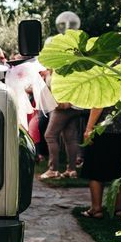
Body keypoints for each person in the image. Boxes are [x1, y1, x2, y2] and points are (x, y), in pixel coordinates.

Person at [40, 11, 83, 179]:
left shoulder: (59, 65)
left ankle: (53, 169)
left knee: (50, 135)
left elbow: (63, 83)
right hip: (73, 105)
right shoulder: (60, 64)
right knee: (70, 137)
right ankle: (71, 170)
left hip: (63, 105)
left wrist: (62, 101)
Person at [80, 102, 121, 218]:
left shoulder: (106, 83)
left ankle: (96, 208)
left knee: (96, 169)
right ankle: (119, 208)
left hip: (105, 129)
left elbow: (99, 103)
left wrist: (88, 129)